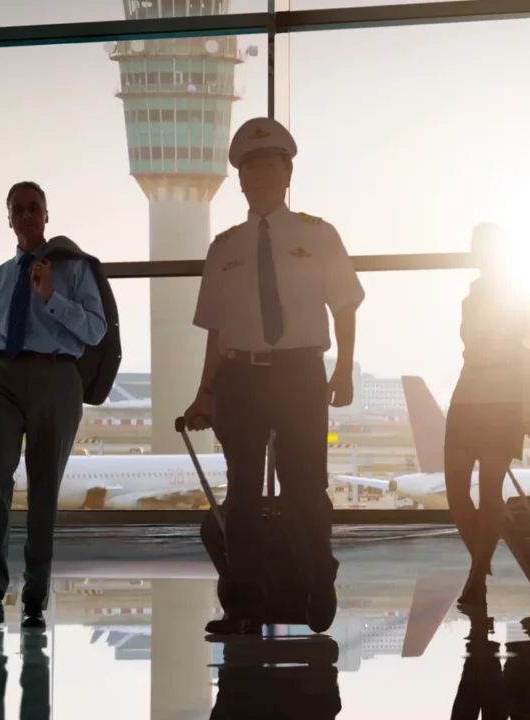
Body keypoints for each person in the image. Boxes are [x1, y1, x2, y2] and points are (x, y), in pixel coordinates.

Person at [183, 117, 365, 636]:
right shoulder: (224, 248)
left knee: (305, 487)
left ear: (287, 174)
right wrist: (204, 392)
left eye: (270, 165)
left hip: (299, 375)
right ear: (240, 180)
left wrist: (344, 369)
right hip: (240, 379)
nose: (261, 175)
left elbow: (345, 307)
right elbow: (216, 331)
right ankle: (242, 604)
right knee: (241, 495)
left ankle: (318, 579)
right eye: (251, 168)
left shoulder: (319, 234)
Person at [0, 182, 107, 629]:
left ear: (46, 215)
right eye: (18, 209)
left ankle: (35, 598)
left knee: (44, 489)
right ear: (9, 219)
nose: (27, 215)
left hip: (56, 376)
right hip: (2, 378)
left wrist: (51, 298)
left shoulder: (73, 269)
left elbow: (96, 330)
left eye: (34, 208)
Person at [444, 223, 530, 608]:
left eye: (484, 245)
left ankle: (476, 580)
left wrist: (529, 402)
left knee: (489, 491)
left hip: (503, 401)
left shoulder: (517, 295)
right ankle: (480, 565)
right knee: (455, 493)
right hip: (467, 395)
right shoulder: (472, 296)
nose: (478, 251)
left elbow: (529, 350)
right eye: (475, 245)